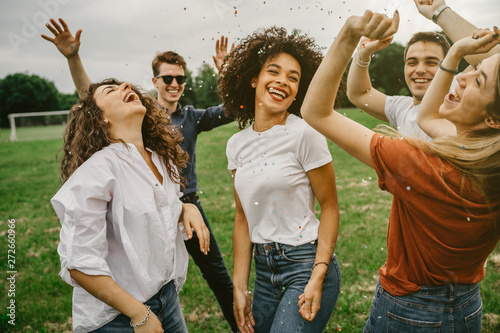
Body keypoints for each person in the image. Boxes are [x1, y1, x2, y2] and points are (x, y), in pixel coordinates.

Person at [302, 9, 500, 333]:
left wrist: (348, 37)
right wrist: (454, 46)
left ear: (493, 119)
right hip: (466, 303)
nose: (460, 76)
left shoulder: (422, 165)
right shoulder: (487, 159)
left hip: (410, 308)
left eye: (477, 77)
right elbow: (427, 117)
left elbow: (315, 111)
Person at [42, 18, 239, 332]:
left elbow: (233, 108)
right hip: (118, 313)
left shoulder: (185, 123)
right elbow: (90, 99)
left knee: (218, 275)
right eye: (168, 78)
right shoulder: (109, 158)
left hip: (181, 213)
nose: (175, 83)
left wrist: (186, 206)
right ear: (156, 81)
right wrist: (73, 58)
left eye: (181, 78)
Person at [51, 78, 211, 332]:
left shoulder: (161, 158)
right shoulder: (97, 172)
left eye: (126, 86)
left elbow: (152, 209)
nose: (127, 86)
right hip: (117, 316)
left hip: (167, 299)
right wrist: (139, 314)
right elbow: (79, 262)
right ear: (100, 118)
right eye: (111, 90)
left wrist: (184, 208)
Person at [218, 26, 342, 333]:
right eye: (273, 71)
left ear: (300, 90)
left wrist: (318, 274)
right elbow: (243, 217)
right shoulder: (236, 144)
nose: (282, 82)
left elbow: (330, 207)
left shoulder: (305, 134)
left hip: (305, 264)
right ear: (253, 79)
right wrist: (240, 285)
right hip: (264, 273)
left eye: (293, 77)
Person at [347, 0, 500, 141]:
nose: (420, 70)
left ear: (448, 64)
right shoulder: (401, 108)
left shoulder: (458, 94)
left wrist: (439, 12)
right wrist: (362, 54)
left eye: (431, 62)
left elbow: (493, 63)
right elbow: (359, 94)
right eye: (412, 62)